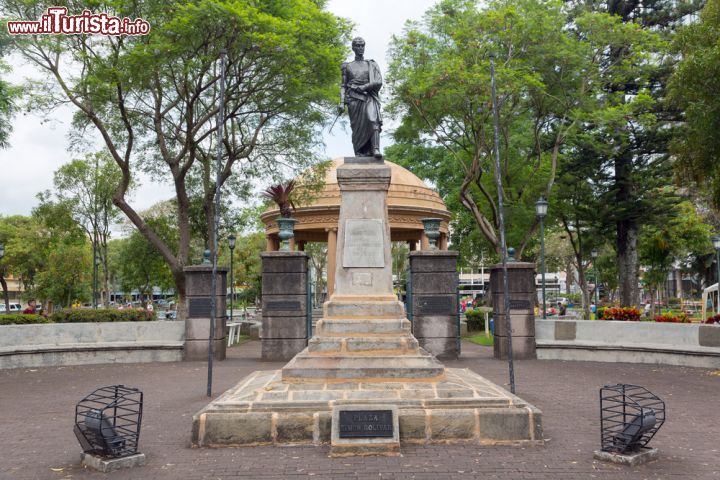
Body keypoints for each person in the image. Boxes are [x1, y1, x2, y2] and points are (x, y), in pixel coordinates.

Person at [337, 37, 383, 158]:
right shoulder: (347, 66)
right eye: (357, 46)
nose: (360, 48)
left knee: (373, 120)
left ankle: (376, 149)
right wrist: (341, 102)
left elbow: (378, 82)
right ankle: (361, 151)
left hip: (368, 97)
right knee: (357, 129)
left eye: (362, 45)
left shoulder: (371, 64)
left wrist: (364, 87)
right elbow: (343, 86)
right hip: (353, 100)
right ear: (353, 48)